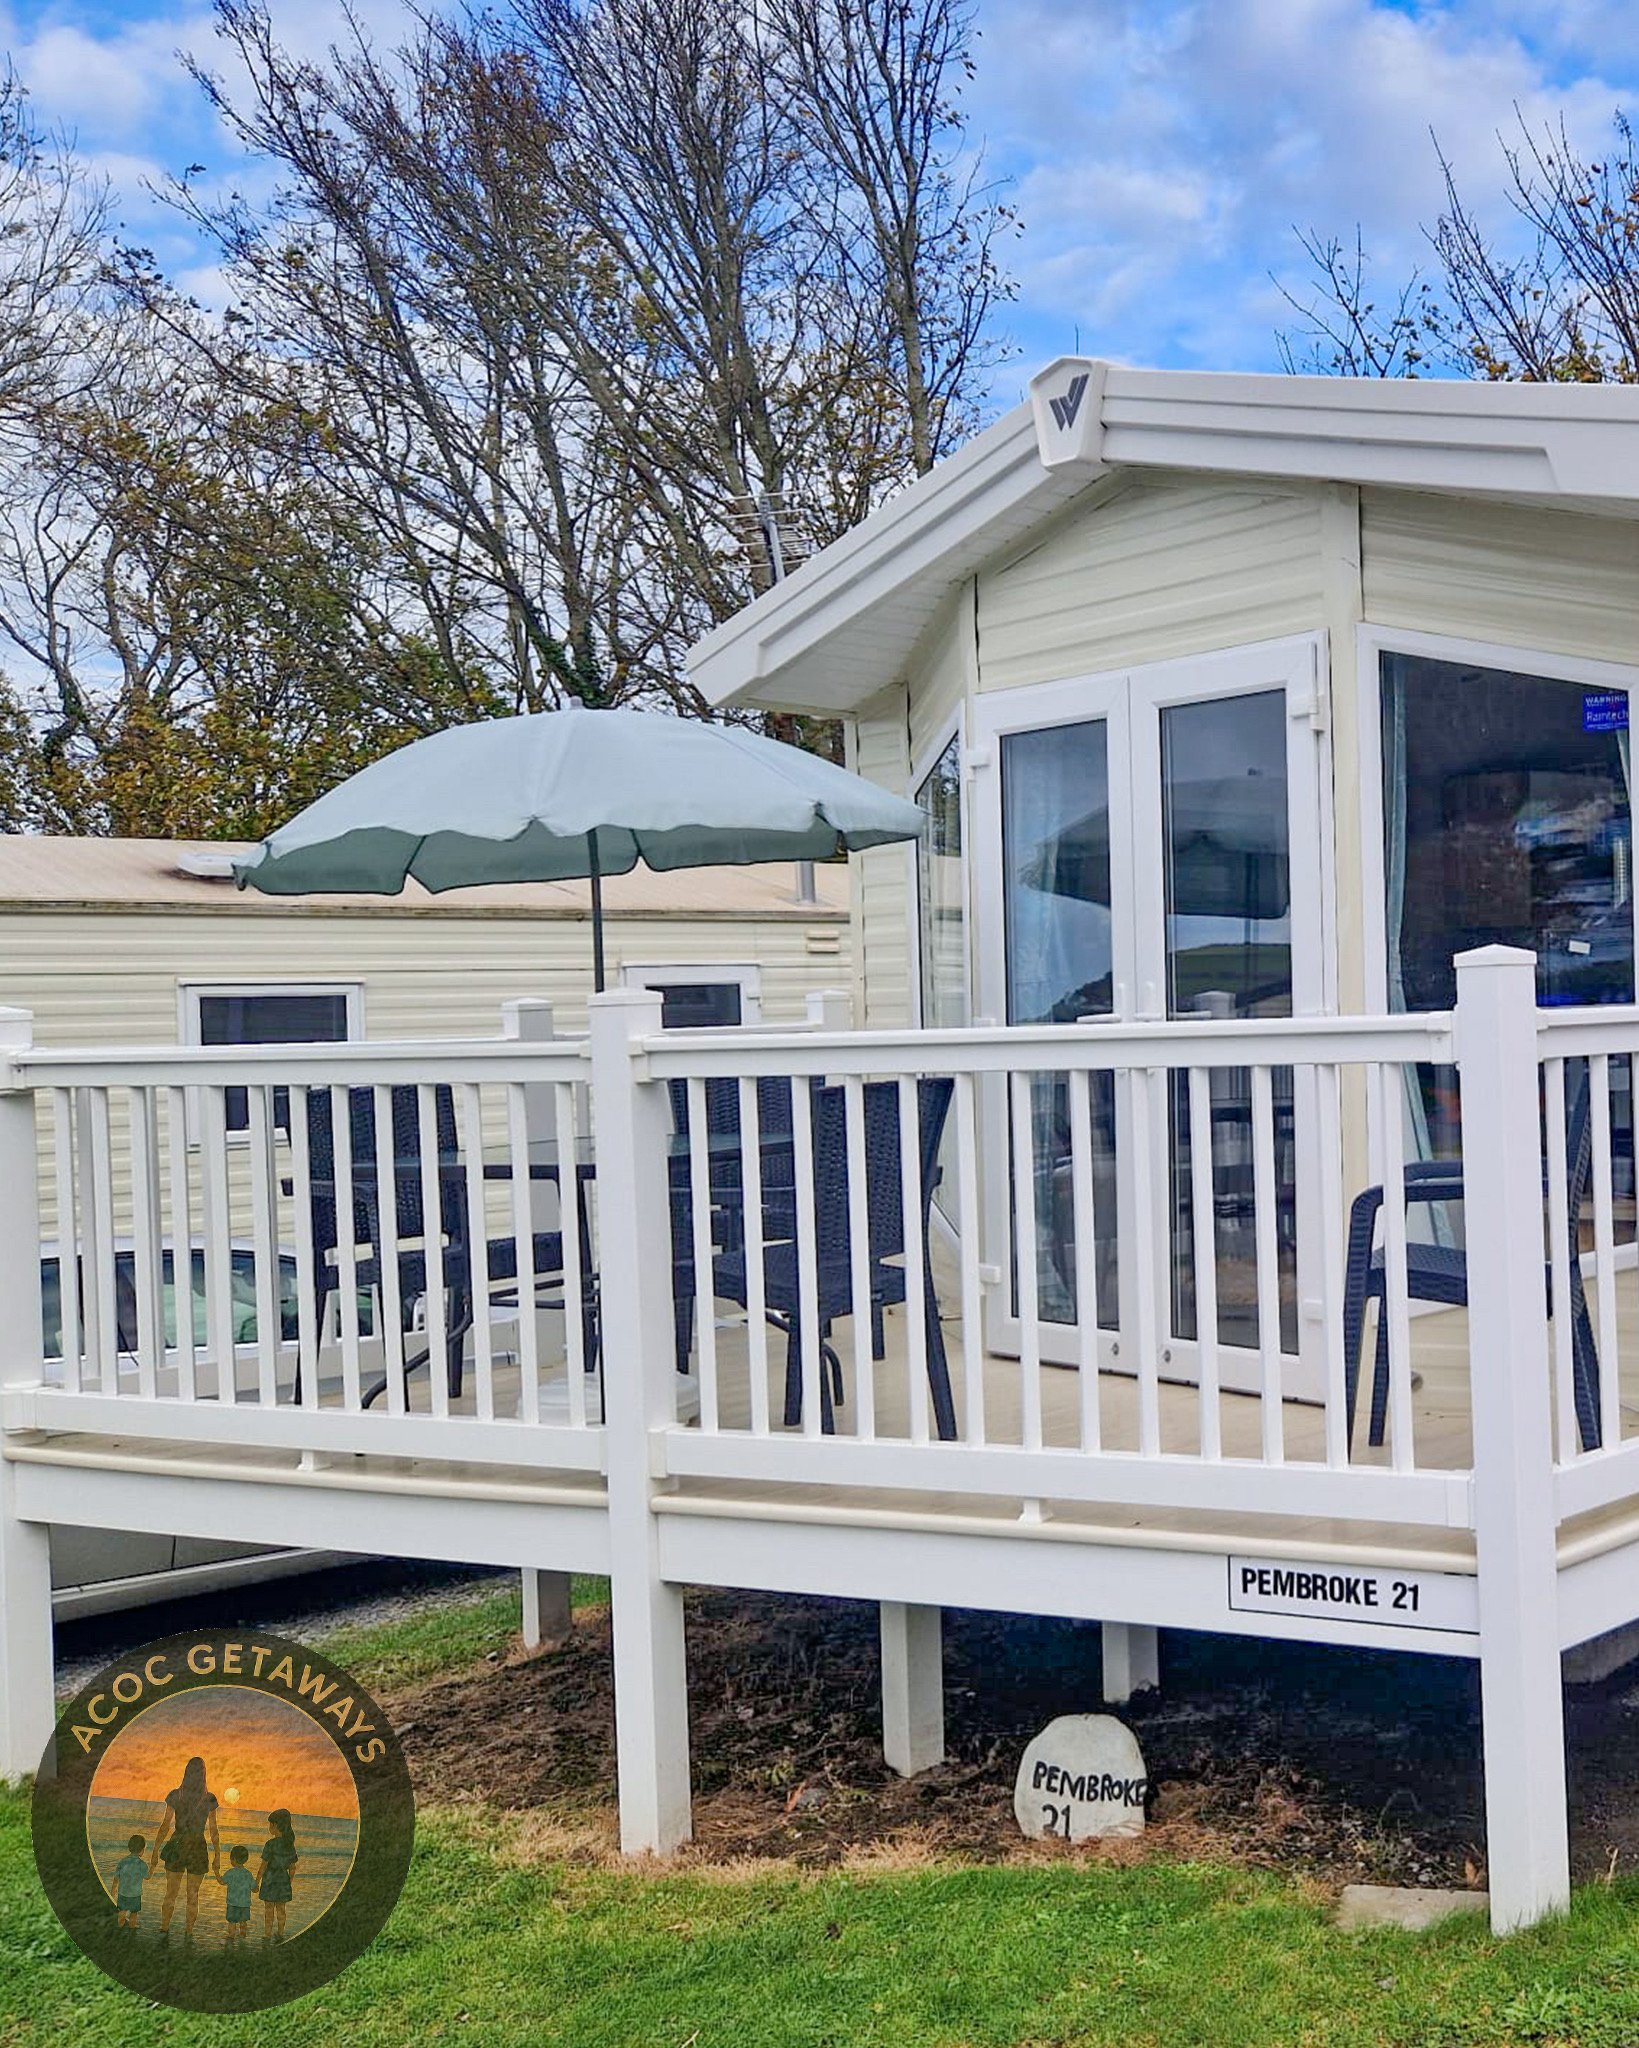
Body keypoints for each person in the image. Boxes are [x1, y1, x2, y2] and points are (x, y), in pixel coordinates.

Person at [148, 1756, 220, 1940]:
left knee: (170, 1893)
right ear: (204, 1774)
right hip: (197, 1846)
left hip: (177, 1844)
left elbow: (165, 1825)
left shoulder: (176, 1795)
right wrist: (217, 1855)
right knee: (193, 1895)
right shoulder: (209, 1798)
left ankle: (164, 1930)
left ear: (186, 1772)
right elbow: (213, 1830)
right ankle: (188, 1934)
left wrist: (155, 1850)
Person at [256, 1810, 298, 1943]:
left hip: (269, 1880)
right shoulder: (289, 1845)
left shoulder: (270, 1844)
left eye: (270, 1824)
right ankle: (280, 1933)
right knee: (281, 1909)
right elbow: (292, 1868)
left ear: (275, 1825)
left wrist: (256, 1882)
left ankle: (267, 1935)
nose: (269, 1827)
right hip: (283, 1880)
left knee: (269, 1909)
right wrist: (289, 1881)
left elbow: (263, 1866)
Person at [216, 1843, 256, 1946]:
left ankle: (231, 1937)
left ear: (233, 1859)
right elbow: (254, 1888)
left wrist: (216, 1872)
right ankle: (242, 1938)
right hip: (244, 1904)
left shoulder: (230, 1872)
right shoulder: (248, 1874)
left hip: (232, 1903)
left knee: (232, 1922)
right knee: (243, 1922)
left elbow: (221, 1882)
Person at [113, 1833, 148, 1930]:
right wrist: (152, 1867)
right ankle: (132, 1927)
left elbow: (116, 1877)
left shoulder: (123, 1861)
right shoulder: (142, 1864)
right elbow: (147, 1877)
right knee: (134, 1913)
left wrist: (113, 1889)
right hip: (135, 1894)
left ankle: (120, 1925)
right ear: (141, 1850)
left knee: (122, 1911)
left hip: (123, 1892)